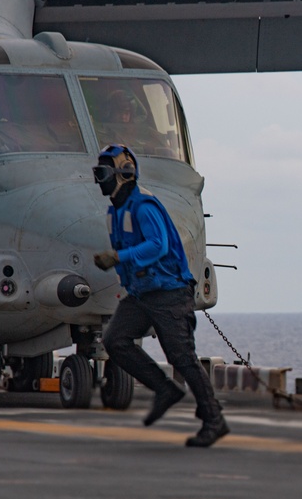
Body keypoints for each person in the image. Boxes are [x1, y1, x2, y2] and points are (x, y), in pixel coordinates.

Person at [92, 144, 229, 448]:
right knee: (115, 340)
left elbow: (159, 245)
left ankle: (213, 419)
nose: (98, 180)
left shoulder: (144, 207)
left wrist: (118, 256)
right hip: (142, 294)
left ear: (122, 174)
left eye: (102, 173)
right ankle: (164, 389)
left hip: (168, 292)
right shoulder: (116, 210)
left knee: (182, 357)